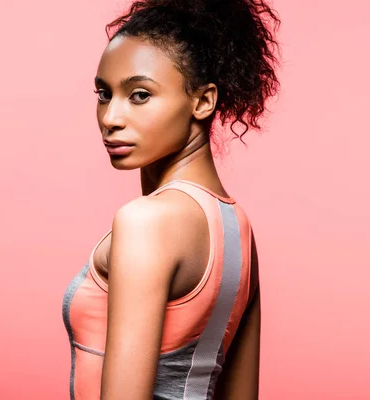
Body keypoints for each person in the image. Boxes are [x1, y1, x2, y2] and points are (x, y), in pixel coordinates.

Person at [62, 0, 280, 398]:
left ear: (202, 101)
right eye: (104, 94)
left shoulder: (145, 222)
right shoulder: (239, 229)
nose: (111, 117)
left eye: (140, 94)